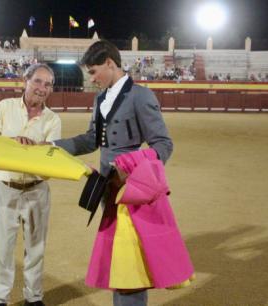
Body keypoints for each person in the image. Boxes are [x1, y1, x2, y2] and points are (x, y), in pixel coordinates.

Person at [51, 40, 175, 306]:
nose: (91, 78)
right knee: (117, 259)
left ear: (110, 62)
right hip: (109, 190)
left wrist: (132, 166)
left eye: (94, 71)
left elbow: (163, 145)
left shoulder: (141, 96)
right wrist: (52, 146)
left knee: (130, 260)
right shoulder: (100, 99)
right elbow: (90, 140)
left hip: (133, 192)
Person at [0, 63, 61, 306]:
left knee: (36, 248)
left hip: (37, 190)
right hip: (6, 188)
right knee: (1, 248)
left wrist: (40, 150)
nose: (42, 88)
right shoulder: (6, 107)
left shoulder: (53, 119)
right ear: (25, 80)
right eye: (37, 81)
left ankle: (33, 298)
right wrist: (12, 142)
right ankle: (0, 299)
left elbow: (52, 157)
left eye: (47, 84)